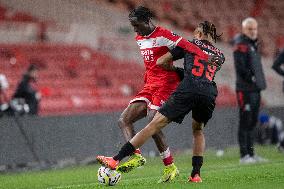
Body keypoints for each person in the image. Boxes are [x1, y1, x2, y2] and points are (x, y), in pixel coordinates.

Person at [97, 21, 224, 183]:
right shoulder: (220, 55)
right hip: (209, 92)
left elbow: (162, 61)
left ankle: (116, 159)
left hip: (188, 88)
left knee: (153, 124)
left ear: (198, 34)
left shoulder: (189, 44)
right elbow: (205, 71)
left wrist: (176, 71)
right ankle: (196, 175)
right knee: (198, 131)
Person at [114, 6, 209, 183]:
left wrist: (204, 57)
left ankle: (170, 166)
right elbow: (150, 64)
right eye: (132, 25)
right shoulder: (139, 38)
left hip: (167, 83)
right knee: (124, 119)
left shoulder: (164, 34)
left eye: (136, 25)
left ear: (146, 21)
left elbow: (187, 45)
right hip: (150, 84)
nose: (135, 29)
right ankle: (135, 156)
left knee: (152, 120)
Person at [233, 17, 267, 164]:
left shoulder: (253, 45)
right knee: (245, 121)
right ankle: (244, 155)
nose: (253, 31)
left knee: (253, 121)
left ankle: (252, 154)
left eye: (254, 28)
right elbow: (240, 68)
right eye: (250, 29)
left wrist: (258, 82)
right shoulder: (240, 45)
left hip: (255, 89)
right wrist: (252, 78)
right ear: (244, 30)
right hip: (244, 89)